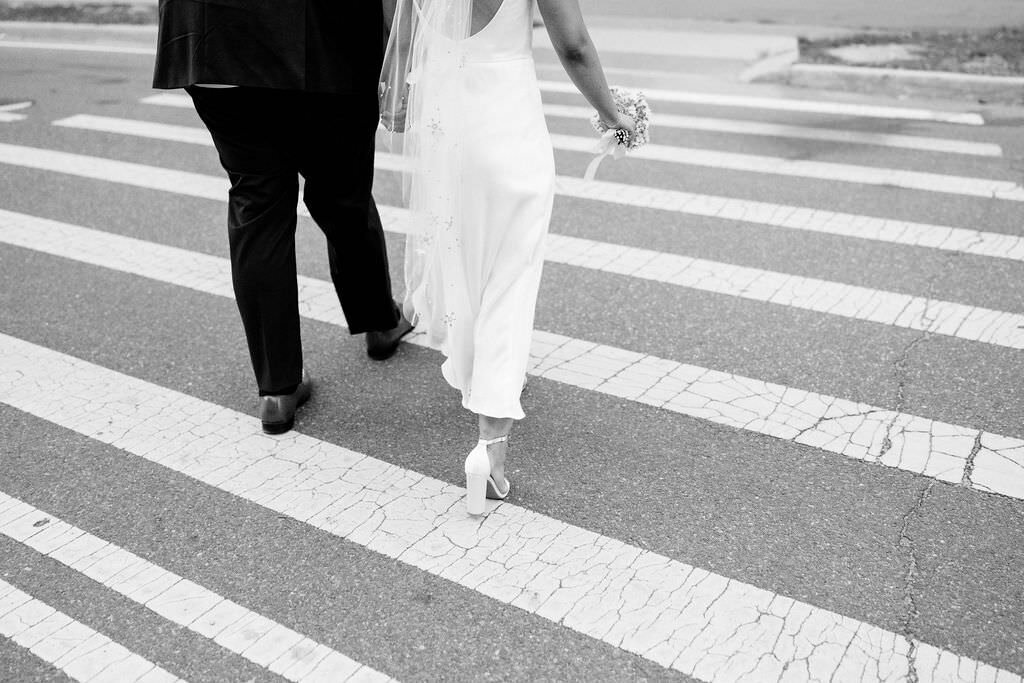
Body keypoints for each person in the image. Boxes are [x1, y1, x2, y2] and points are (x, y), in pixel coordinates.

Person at [380, 0, 635, 513]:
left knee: (464, 259)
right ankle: (489, 450)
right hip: (506, 124)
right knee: (510, 279)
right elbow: (575, 45)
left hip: (445, 121)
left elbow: (399, 22)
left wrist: (397, 89)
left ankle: (478, 377)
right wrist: (616, 115)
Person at [151, 1, 414, 435]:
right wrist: (396, 47)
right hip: (325, 32)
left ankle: (277, 388)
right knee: (342, 192)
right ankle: (379, 322)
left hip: (214, 34)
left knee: (256, 202)